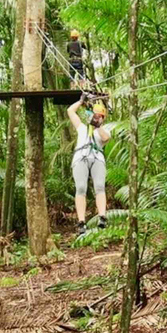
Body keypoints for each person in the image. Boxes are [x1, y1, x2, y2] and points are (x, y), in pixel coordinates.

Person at [67, 94, 111, 235]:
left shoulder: (103, 130)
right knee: (81, 188)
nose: (98, 117)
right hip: (81, 157)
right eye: (96, 115)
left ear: (103, 118)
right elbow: (70, 111)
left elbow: (105, 138)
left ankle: (102, 217)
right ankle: (81, 222)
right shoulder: (81, 128)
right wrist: (81, 101)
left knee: (99, 187)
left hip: (97, 158)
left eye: (100, 116)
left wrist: (97, 125)